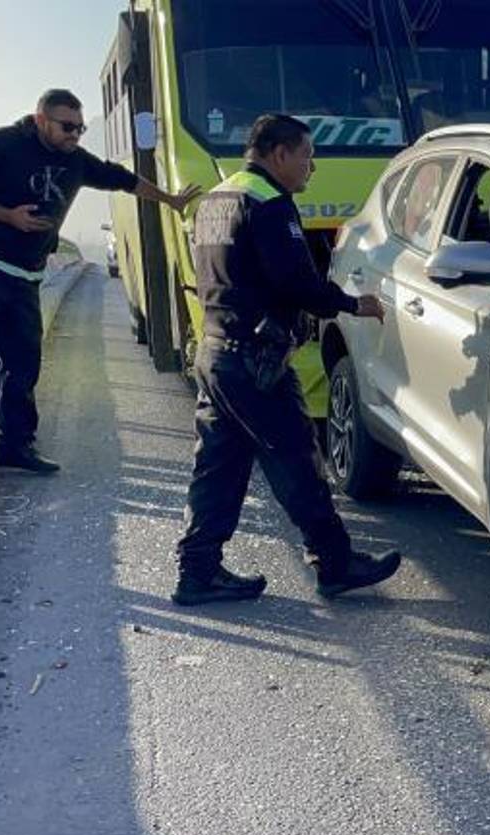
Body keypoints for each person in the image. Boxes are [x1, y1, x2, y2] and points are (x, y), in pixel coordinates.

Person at [171, 113, 399, 606]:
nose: (311, 168)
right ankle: (334, 563)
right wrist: (351, 304)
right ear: (279, 154)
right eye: (306, 156)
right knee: (298, 461)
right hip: (256, 362)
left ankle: (197, 572)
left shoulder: (217, 197)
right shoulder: (270, 203)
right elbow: (296, 283)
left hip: (216, 353)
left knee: (218, 468)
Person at [0, 88, 200, 469]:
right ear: (42, 120)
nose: (75, 135)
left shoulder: (76, 160)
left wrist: (170, 199)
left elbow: (122, 179)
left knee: (24, 363)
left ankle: (15, 445)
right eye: (67, 126)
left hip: (26, 272)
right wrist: (8, 216)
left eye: (80, 128)